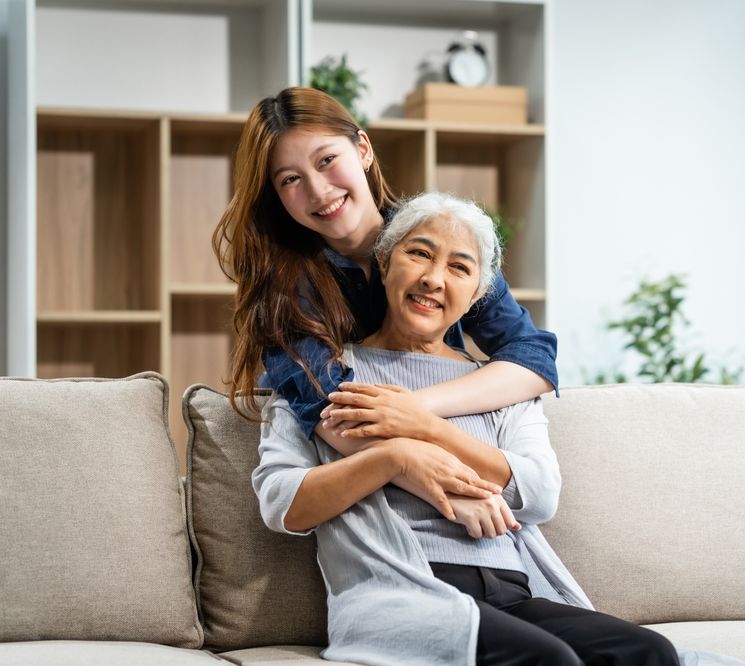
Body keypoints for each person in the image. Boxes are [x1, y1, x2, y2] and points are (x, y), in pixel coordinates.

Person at [252, 191, 684, 665]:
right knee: (549, 660)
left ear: (479, 292)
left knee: (650, 653)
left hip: (513, 592)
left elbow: (539, 492)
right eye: (418, 253)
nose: (434, 279)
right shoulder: (322, 377)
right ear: (384, 261)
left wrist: (428, 427)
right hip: (403, 592)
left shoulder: (500, 386)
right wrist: (394, 457)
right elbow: (282, 503)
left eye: (459, 267)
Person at [213, 88, 557, 509]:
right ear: (276, 196)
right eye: (291, 179)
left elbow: (533, 357)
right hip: (338, 461)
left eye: (326, 160)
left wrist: (415, 406)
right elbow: (331, 411)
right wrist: (430, 476)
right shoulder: (282, 286)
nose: (319, 191)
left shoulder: (438, 239)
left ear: (362, 149)